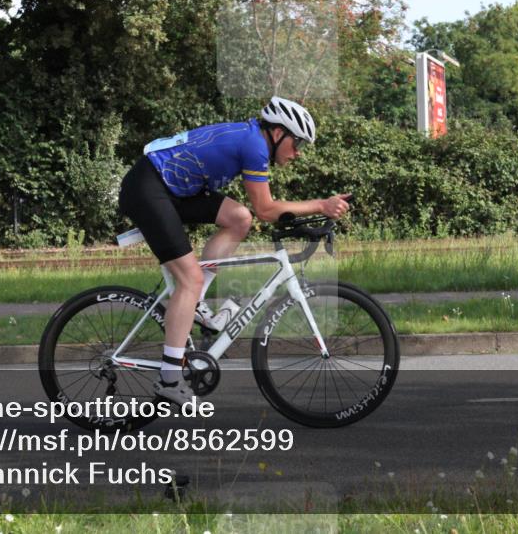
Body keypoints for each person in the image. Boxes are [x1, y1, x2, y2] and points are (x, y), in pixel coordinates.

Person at [118, 96, 351, 405]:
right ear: (278, 133)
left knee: (239, 218)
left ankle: (196, 303)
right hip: (148, 188)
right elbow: (267, 209)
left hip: (172, 188)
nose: (297, 153)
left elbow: (256, 213)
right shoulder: (254, 145)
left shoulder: (252, 138)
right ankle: (169, 378)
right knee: (189, 280)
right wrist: (321, 205)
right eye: (296, 144)